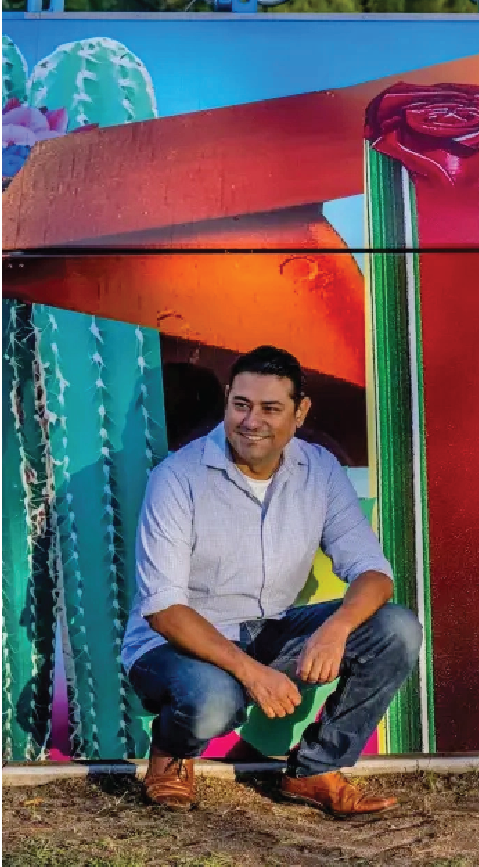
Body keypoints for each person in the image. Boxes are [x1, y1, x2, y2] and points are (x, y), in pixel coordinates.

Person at [123, 345, 422, 816]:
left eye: (270, 408)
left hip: (266, 630)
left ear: (300, 412)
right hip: (175, 646)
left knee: (396, 629)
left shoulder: (319, 470)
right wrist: (252, 674)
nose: (251, 421)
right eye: (241, 405)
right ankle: (171, 753)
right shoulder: (177, 478)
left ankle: (315, 769)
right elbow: (163, 610)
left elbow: (373, 572)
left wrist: (338, 626)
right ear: (227, 401)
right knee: (213, 699)